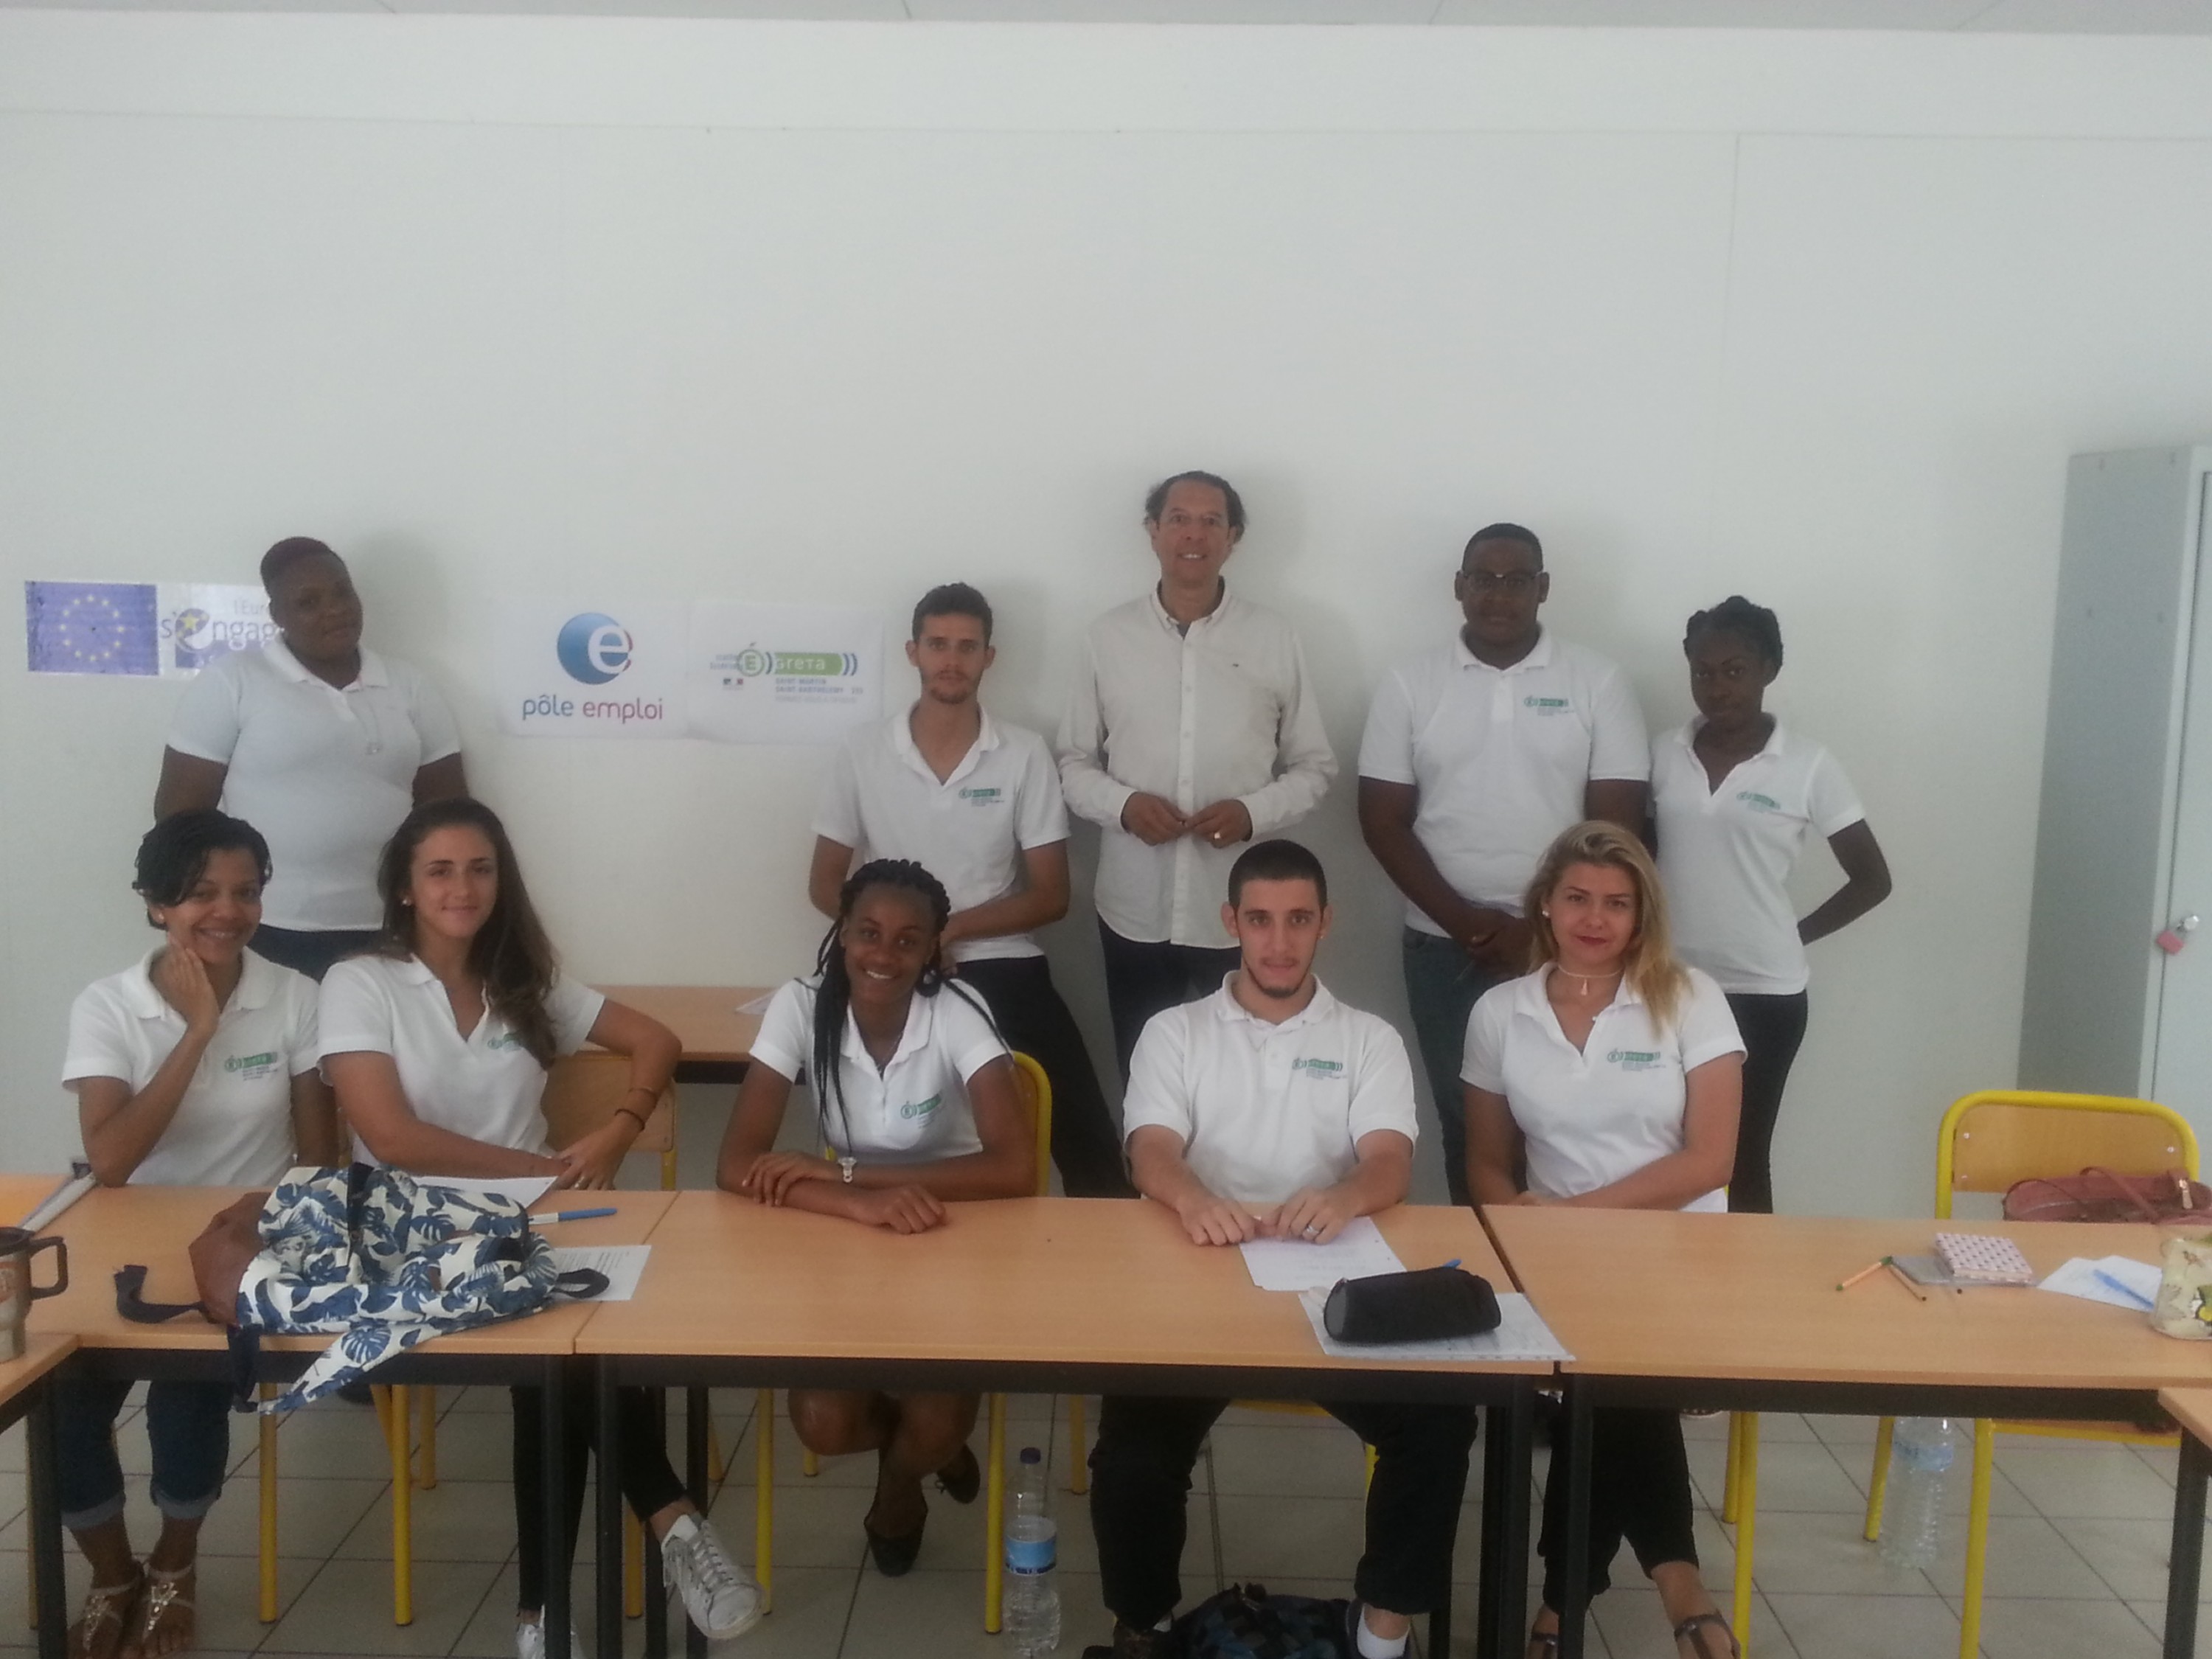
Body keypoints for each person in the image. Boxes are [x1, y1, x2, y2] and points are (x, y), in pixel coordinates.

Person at [317, 798, 760, 1659]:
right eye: (440, 871)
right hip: (412, 1234)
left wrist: (621, 1125)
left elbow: (656, 1041)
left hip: (536, 1225)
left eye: (480, 869)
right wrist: (534, 1171)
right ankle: (673, 1523)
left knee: (561, 1362)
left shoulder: (524, 980)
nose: (463, 887)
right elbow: (393, 1137)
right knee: (560, 1353)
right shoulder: (360, 982)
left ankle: (544, 1616)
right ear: (404, 888)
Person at [1085, 840, 1475, 1659]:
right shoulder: (1175, 1031)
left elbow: (1390, 1160)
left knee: (1437, 1424)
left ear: (1325, 923)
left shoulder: (1367, 1037)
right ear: (1231, 922)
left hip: (1329, 1289)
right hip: (1198, 1285)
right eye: (1260, 920)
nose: (1279, 941)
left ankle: (1382, 1635)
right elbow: (1150, 1149)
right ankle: (1146, 1628)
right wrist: (1193, 1198)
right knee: (1133, 1459)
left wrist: (1344, 1197)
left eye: (1298, 920)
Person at [59, 810, 341, 1659]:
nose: (227, 912)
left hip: (236, 1245)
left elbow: (318, 1160)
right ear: (156, 904)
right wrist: (199, 1031)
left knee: (184, 1397)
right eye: (200, 894)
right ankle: (114, 1574)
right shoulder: (109, 1004)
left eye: (246, 893)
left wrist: (269, 1229)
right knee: (64, 1405)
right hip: (120, 1241)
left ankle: (176, 1562)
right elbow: (112, 1160)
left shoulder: (295, 995)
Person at [1461, 820, 1744, 1659]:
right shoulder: (1500, 1012)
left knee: (1605, 1386)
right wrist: (1523, 1231)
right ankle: (1675, 1582)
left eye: (1617, 903)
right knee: (1610, 1385)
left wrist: (1579, 1218)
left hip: (1682, 1250)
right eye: (1578, 898)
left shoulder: (1690, 997)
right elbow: (1485, 1162)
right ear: (1545, 905)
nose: (1595, 918)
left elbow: (1711, 1159)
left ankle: (1564, 1601)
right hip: (1559, 1257)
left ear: (1641, 915)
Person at [717, 858, 1034, 1573]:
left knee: (938, 1420)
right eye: (868, 933)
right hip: (847, 1239)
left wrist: (850, 1175)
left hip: (956, 1228)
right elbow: (736, 1162)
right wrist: (856, 1205)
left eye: (907, 940)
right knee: (822, 1424)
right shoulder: (800, 1004)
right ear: (842, 932)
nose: (883, 954)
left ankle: (899, 1486)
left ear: (932, 950)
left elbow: (1016, 1168)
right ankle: (927, 1456)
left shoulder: (957, 1010)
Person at [1358, 523, 1648, 1205]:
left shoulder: (1597, 681)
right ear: (1459, 587)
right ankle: (1489, 1261)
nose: (1499, 595)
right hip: (1441, 948)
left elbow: (1615, 827)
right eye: (1483, 579)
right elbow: (1380, 819)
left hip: (1569, 944)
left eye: (1517, 580)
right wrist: (1465, 924)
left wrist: (1541, 929)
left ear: (1543, 588)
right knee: (1466, 1123)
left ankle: (1563, 1258)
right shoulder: (1410, 683)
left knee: (1562, 1123)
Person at [810, 582, 1128, 1196]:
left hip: (997, 962)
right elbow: (824, 884)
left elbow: (1051, 895)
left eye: (966, 647)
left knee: (1087, 1135)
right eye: (937, 645)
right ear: (913, 652)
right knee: (848, 1111)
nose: (951, 660)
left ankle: (1108, 1231)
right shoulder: (862, 750)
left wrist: (949, 932)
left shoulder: (1023, 753)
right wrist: (897, 943)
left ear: (989, 657)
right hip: (885, 966)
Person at [1058, 472, 1338, 1074]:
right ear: (1153, 531)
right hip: (1135, 908)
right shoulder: (1106, 637)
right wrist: (1125, 806)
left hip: (1241, 913)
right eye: (1179, 519)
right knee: (1146, 1075)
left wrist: (1251, 815)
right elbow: (1073, 764)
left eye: (1212, 521)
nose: (1194, 534)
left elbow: (1315, 767)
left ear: (1233, 537)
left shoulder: (1273, 636)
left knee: (1248, 1077)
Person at [1653, 597, 1892, 1213]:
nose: (1717, 687)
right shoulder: (1662, 754)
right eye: (1703, 671)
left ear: (1769, 669)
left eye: (1735, 670)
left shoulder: (1809, 765)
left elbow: (1873, 880)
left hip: (1763, 993)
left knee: (1740, 1156)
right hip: (1666, 984)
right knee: (1661, 1148)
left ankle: (1746, 1272)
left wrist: (1792, 934)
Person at [156, 536, 467, 981]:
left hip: (390, 926)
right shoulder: (233, 681)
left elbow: (450, 817)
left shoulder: (410, 686)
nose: (334, 609)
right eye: (308, 602)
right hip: (267, 927)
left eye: (343, 592)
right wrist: (207, 912)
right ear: (277, 615)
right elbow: (179, 816)